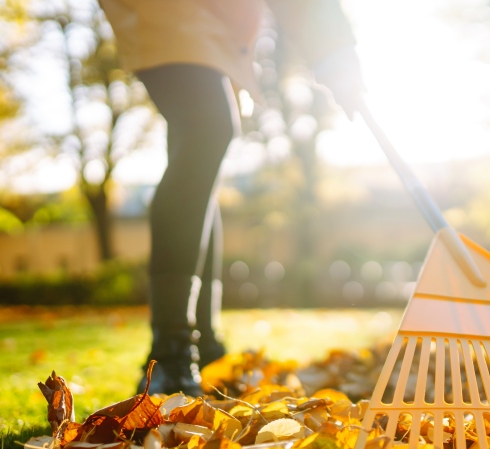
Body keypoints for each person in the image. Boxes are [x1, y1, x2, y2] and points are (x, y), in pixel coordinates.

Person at [98, 0, 365, 396]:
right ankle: (170, 351)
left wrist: (336, 53)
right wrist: (335, 52)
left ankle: (204, 346)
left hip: (218, 20)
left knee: (201, 146)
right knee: (208, 126)